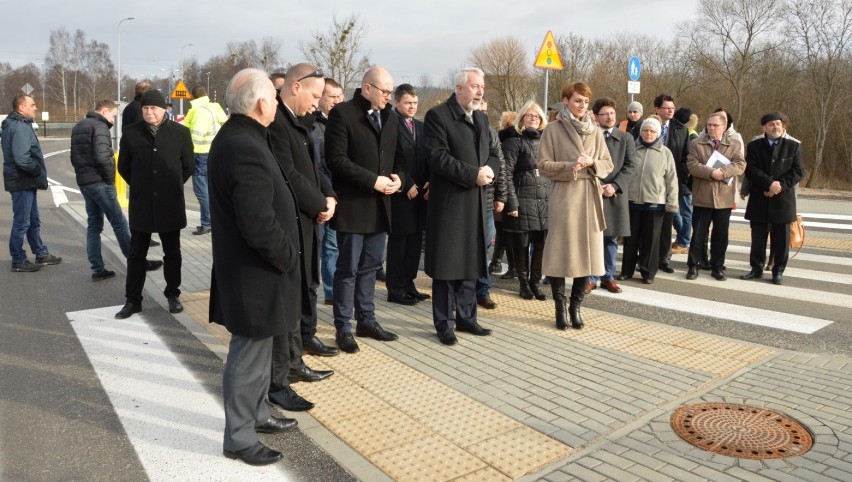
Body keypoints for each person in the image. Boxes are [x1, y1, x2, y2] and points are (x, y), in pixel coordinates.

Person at [209, 68, 300, 467]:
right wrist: (288, 256)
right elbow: (257, 223)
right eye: (275, 99)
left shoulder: (238, 137)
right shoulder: (244, 145)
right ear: (263, 102)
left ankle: (257, 416)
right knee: (247, 357)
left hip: (252, 271)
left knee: (259, 353)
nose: (278, 104)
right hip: (255, 273)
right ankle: (240, 438)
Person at [266, 62, 337, 413]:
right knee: (288, 302)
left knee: (302, 294)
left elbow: (315, 167)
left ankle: (295, 362)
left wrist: (329, 197)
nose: (317, 102)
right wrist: (318, 202)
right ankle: (282, 374)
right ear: (296, 87)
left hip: (308, 221)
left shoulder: (300, 123)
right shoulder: (276, 124)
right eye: (314, 95)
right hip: (291, 224)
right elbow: (288, 173)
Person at [325, 66, 404, 353]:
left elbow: (400, 159)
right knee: (347, 268)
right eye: (385, 91)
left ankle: (367, 319)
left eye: (390, 92)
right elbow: (337, 160)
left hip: (381, 206)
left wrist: (399, 179)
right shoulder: (343, 114)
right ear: (367, 88)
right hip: (354, 206)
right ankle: (343, 326)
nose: (389, 97)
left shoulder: (391, 118)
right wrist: (373, 181)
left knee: (371, 267)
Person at [424, 67, 500, 345]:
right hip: (450, 206)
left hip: (477, 203)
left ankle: (468, 319)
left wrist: (489, 170)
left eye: (482, 87)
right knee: (447, 267)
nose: (480, 91)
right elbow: (437, 157)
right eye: (475, 86)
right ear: (459, 88)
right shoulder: (438, 116)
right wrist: (473, 175)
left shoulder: (481, 117)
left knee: (471, 263)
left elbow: (493, 153)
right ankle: (444, 323)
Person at [538, 82, 614, 330]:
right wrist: (570, 165)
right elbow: (543, 165)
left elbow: (607, 164)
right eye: (578, 100)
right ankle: (559, 307)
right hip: (565, 197)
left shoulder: (596, 131)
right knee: (560, 254)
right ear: (566, 100)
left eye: (585, 102)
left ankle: (576, 306)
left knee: (588, 256)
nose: (582, 106)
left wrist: (592, 163)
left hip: (590, 199)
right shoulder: (553, 129)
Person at [115, 89, 193, 319]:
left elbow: (188, 166)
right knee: (136, 254)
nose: (149, 112)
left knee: (172, 253)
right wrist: (141, 184)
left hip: (170, 202)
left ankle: (173, 295)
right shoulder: (131, 133)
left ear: (164, 110)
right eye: (146, 108)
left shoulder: (180, 133)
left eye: (153, 108)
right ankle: (132, 300)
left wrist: (170, 185)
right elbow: (124, 167)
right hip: (142, 202)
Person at [69, 99, 164, 280]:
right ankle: (137, 262)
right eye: (113, 116)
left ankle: (97, 268)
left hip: (85, 182)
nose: (113, 120)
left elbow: (74, 157)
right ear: (105, 111)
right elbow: (103, 157)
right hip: (100, 183)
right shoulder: (100, 127)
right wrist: (108, 179)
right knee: (119, 223)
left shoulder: (79, 126)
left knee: (94, 226)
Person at [741, 112, 804, 285]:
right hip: (760, 198)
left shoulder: (793, 146)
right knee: (758, 239)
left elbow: (798, 172)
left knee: (782, 240)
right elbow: (751, 170)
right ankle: (756, 268)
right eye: (771, 124)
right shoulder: (754, 146)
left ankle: (778, 271)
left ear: (783, 126)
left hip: (783, 200)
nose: (775, 127)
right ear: (764, 128)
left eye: (778, 124)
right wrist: (769, 184)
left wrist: (779, 186)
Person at [2, 94, 62, 272]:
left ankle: (41, 253)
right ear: (21, 108)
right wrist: (36, 170)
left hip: (25, 181)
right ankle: (18, 260)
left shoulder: (18, 124)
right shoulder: (19, 127)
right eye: (32, 105)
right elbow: (22, 158)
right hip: (22, 181)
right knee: (22, 222)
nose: (36, 108)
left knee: (33, 220)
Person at [685, 112, 745, 281]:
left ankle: (717, 267)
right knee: (698, 235)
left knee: (720, 236)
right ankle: (693, 266)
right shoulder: (697, 144)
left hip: (724, 199)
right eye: (709, 125)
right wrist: (711, 173)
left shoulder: (733, 144)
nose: (711, 128)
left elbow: (740, 165)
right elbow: (692, 165)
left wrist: (723, 172)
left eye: (715, 125)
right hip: (702, 197)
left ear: (724, 127)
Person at [618, 117, 678, 284]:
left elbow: (671, 179)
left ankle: (648, 272)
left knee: (651, 241)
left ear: (658, 133)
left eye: (652, 131)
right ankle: (626, 271)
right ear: (641, 131)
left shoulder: (665, 153)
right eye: (646, 130)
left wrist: (672, 202)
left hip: (655, 204)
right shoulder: (631, 149)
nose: (649, 134)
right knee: (631, 240)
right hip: (631, 202)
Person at [385, 84, 430, 305]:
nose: (412, 107)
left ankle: (409, 284)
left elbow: (426, 157)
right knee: (399, 243)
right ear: (396, 102)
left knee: (414, 243)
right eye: (407, 103)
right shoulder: (390, 124)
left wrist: (428, 181)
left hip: (420, 195)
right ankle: (395, 288)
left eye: (414, 103)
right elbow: (391, 158)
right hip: (401, 194)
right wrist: (406, 183)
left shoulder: (420, 127)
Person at [501, 100, 549, 301]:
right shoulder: (514, 142)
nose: (532, 119)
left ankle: (535, 282)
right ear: (521, 118)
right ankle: (523, 283)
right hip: (522, 198)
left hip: (544, 200)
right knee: (521, 244)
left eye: (536, 116)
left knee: (541, 245)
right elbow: (506, 174)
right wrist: (512, 203)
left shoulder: (547, 141)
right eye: (529, 115)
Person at [589, 97, 636, 293]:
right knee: (592, 237)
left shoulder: (626, 138)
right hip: (592, 192)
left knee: (610, 239)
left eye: (612, 114)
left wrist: (614, 186)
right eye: (605, 114)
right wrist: (597, 185)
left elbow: (631, 165)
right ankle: (590, 277)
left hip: (614, 194)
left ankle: (608, 276)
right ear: (596, 117)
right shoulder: (590, 136)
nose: (609, 117)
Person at [308, 78, 345, 306]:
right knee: (327, 246)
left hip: (342, 194)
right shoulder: (313, 126)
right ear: (320, 97)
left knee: (337, 246)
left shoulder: (343, 123)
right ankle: (330, 292)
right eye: (332, 97)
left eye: (340, 97)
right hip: (323, 195)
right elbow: (318, 165)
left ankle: (335, 289)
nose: (337, 101)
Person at [183, 85, 227, 236]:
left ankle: (208, 223)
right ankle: (208, 222)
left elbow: (196, 136)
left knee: (201, 191)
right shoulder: (215, 108)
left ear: (193, 97)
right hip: (213, 153)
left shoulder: (200, 112)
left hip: (200, 155)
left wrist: (186, 154)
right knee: (209, 190)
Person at [474, 98, 503, 310]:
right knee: (465, 248)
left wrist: (501, 196)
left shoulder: (492, 133)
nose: (482, 113)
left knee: (486, 248)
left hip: (487, 201)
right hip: (465, 200)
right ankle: (460, 292)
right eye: (479, 109)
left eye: (486, 110)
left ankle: (482, 290)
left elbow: (499, 162)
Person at [488, 110, 518, 278]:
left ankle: (505, 264)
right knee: (503, 231)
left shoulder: (506, 141)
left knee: (505, 231)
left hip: (505, 193)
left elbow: (504, 170)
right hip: (505, 192)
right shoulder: (507, 140)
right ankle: (497, 262)